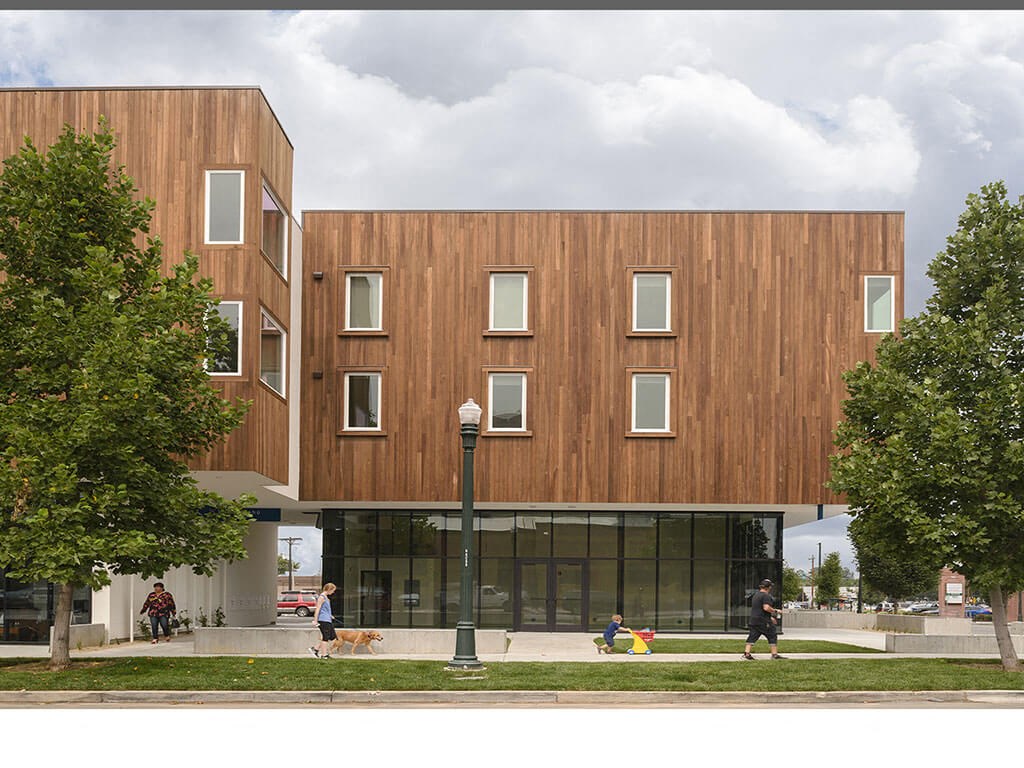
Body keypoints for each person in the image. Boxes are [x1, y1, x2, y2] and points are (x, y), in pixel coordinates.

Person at [742, 578, 784, 660]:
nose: (771, 588)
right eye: (770, 587)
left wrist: (770, 617)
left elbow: (759, 609)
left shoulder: (756, 595)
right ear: (768, 587)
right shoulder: (766, 596)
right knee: (772, 634)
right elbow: (766, 607)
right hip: (763, 621)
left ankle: (747, 653)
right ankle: (774, 655)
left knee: (753, 635)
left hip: (754, 620)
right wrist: (776, 611)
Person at [308, 583, 337, 659]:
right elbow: (318, 609)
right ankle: (324, 655)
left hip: (328, 619)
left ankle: (315, 649)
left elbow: (325, 609)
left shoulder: (326, 598)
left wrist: (330, 615)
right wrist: (315, 620)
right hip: (323, 620)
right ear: (329, 589)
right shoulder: (321, 597)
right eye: (333, 590)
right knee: (325, 637)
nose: (333, 592)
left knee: (332, 636)